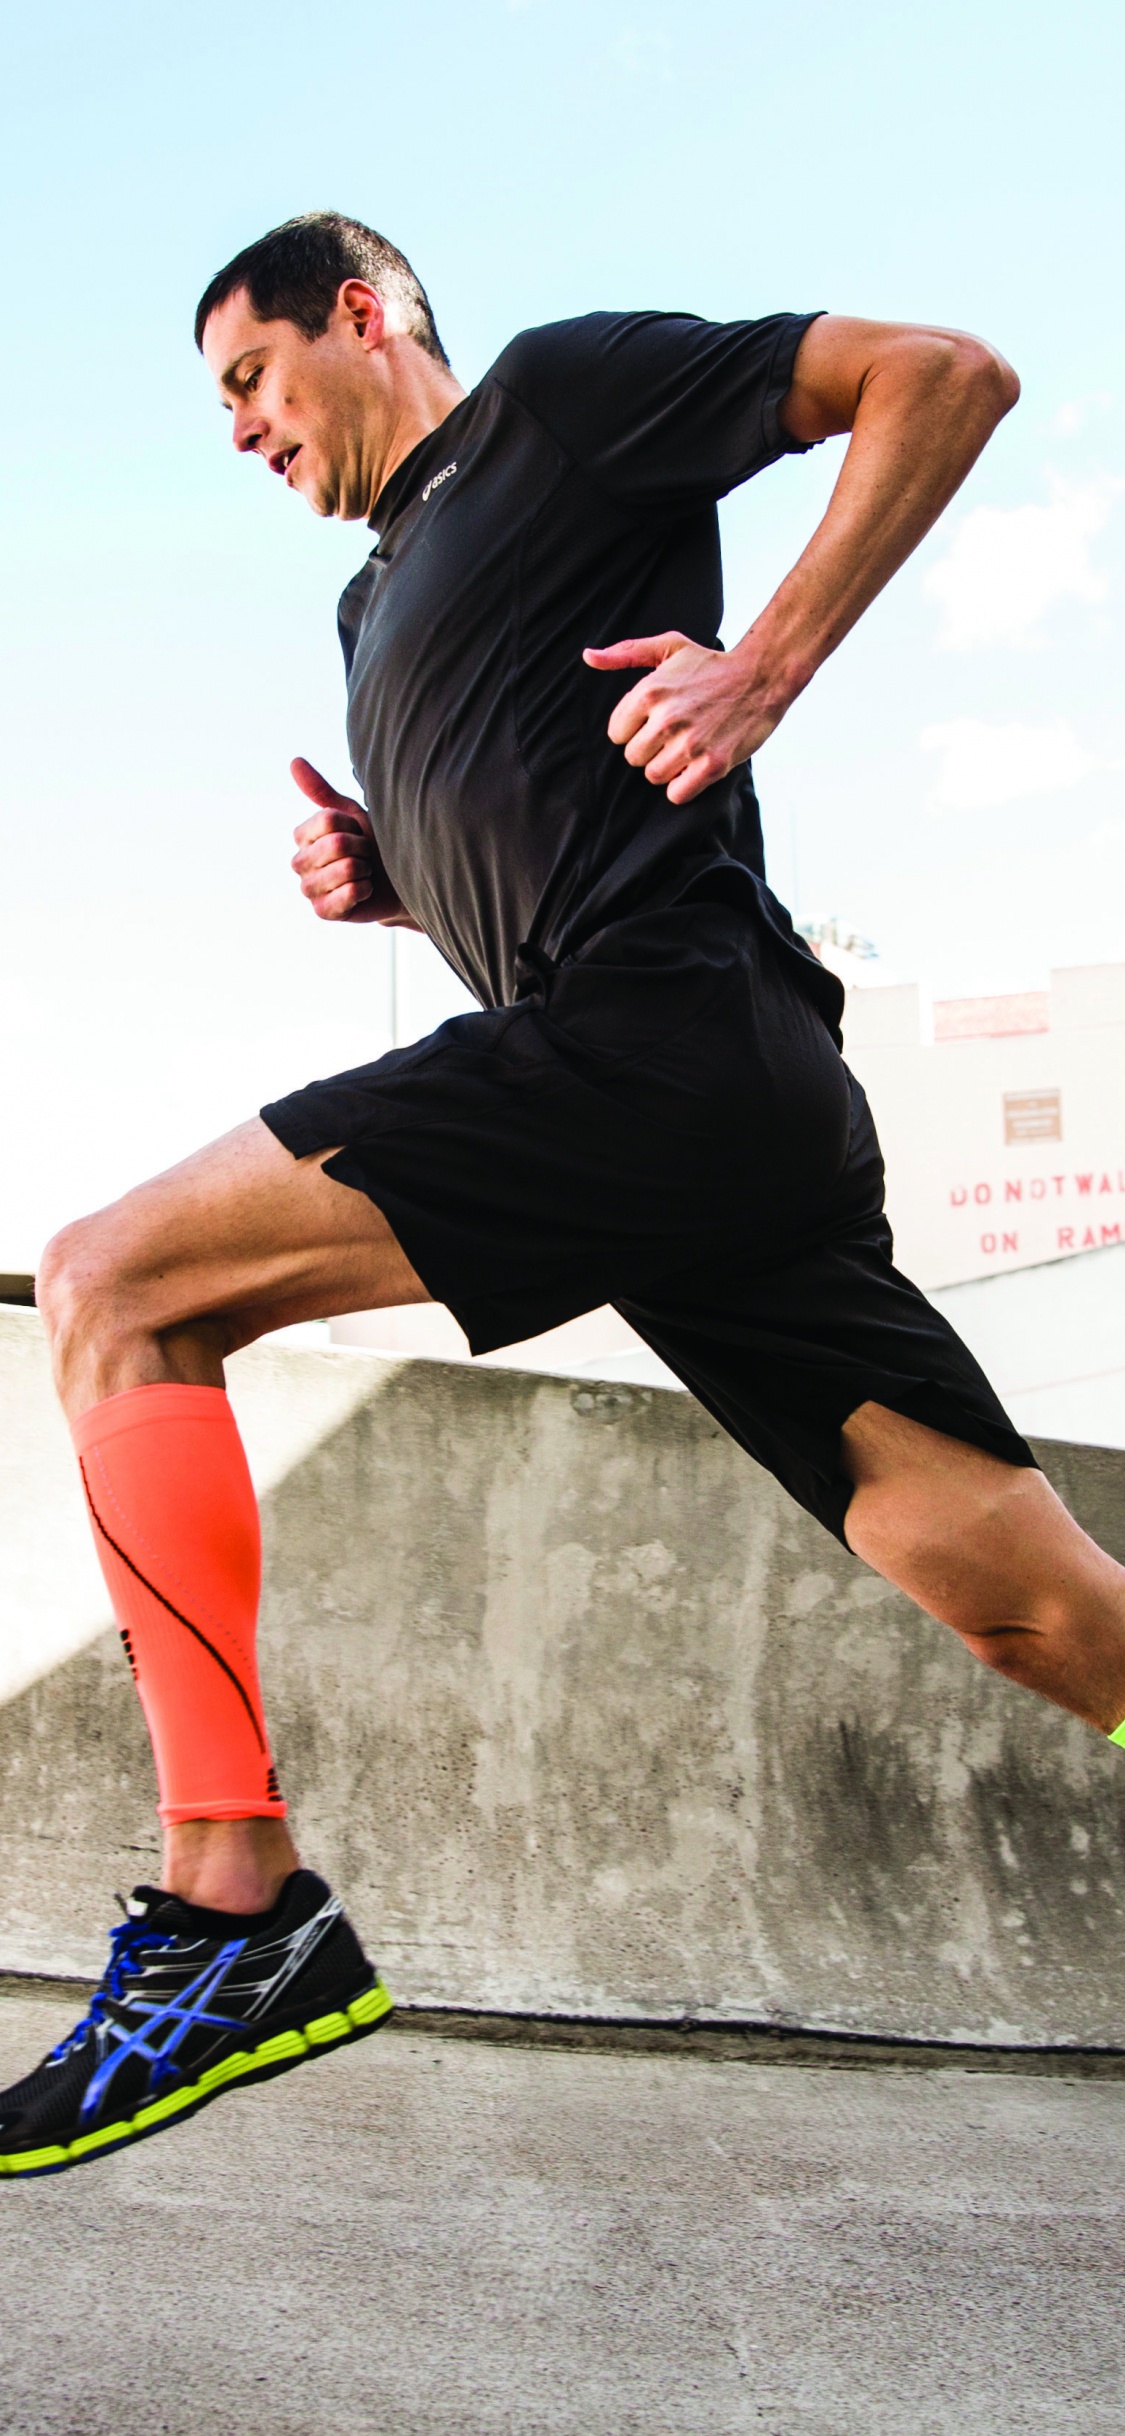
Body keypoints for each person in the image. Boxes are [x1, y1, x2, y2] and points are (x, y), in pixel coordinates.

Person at [4, 211, 1125, 2182]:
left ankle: (230, 1916)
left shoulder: (558, 405)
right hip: (693, 1122)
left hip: (664, 1041)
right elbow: (526, 871)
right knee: (1032, 1614)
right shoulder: (369, 626)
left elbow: (935, 377)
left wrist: (761, 662)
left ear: (363, 313)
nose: (239, 434)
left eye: (247, 379)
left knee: (117, 1284)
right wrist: (395, 875)